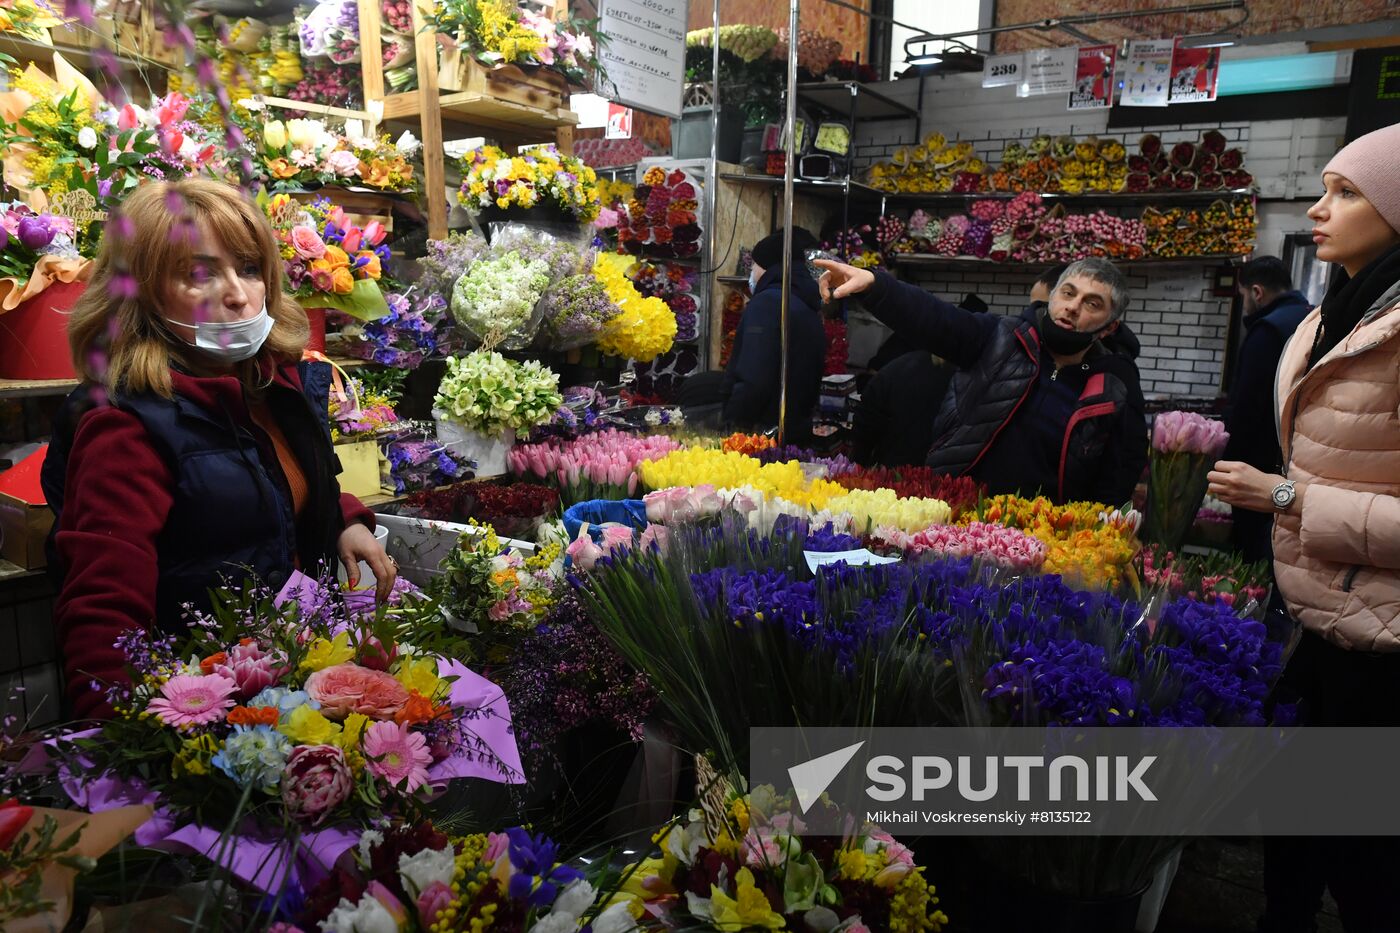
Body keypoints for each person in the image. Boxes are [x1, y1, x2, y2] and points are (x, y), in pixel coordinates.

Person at [42, 179, 395, 720]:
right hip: (202, 713)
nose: (237, 293)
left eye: (249, 268)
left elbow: (281, 480)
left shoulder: (272, 383)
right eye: (199, 274)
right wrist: (119, 759)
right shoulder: (126, 426)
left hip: (286, 683)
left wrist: (343, 518)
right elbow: (102, 615)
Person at [1208, 123, 1400, 932]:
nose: (1319, 210)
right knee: (1288, 845)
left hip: (1384, 651)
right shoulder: (1330, 318)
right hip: (1317, 629)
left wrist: (1286, 500)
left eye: (1346, 192)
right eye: (1325, 187)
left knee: (1366, 870)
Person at [817, 256, 1147, 505]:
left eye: (1092, 303)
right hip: (956, 513)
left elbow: (1116, 479)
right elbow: (935, 318)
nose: (1072, 307)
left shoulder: (1111, 390)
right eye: (1068, 293)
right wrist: (877, 286)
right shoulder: (999, 339)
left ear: (1109, 327)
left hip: (1041, 537)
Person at [1220, 256, 1312, 564]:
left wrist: (1226, 463)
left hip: (1260, 469)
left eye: (1243, 295)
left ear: (1256, 292)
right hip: (1299, 468)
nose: (1245, 303)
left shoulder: (1267, 331)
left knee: (1254, 558)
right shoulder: (1311, 318)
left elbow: (1246, 409)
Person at [720, 228, 826, 442]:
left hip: (762, 433)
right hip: (795, 429)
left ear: (766, 267)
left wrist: (733, 427)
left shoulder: (767, 304)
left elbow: (754, 378)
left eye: (753, 265)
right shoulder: (806, 303)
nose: (751, 272)